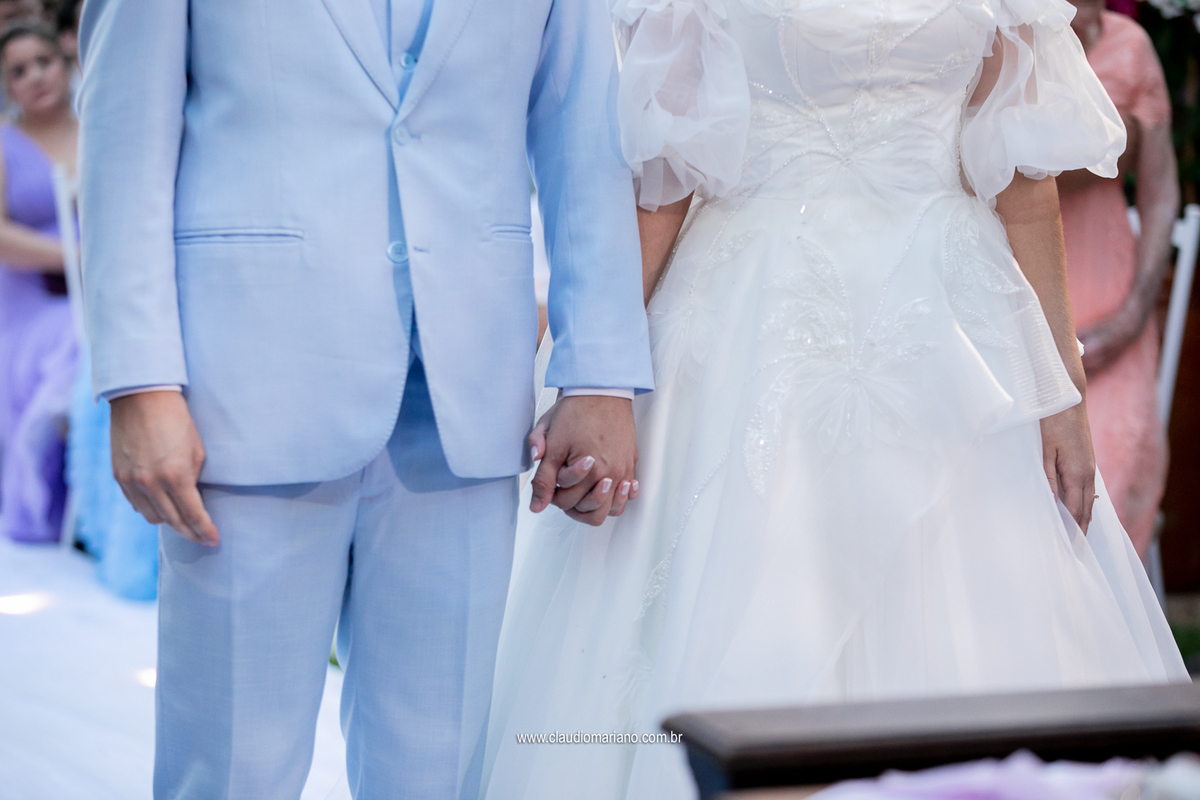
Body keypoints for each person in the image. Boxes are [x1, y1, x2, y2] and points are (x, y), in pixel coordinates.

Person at [484, 1, 1188, 797]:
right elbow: (665, 183)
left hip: (964, 336)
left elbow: (1025, 181)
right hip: (751, 323)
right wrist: (598, 378)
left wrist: (1061, 390)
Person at [77, 0, 651, 798]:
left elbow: (582, 136)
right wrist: (139, 380)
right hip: (246, 390)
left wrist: (598, 373)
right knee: (232, 766)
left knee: (437, 767)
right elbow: (122, 137)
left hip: (465, 398)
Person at [1058, 0, 1179, 557]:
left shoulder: (1131, 47)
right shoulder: (1002, 41)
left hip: (1113, 301)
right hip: (1020, 294)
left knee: (1111, 466)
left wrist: (1132, 317)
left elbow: (1160, 193)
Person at [0, 22, 76, 544]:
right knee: (76, 340)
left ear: (65, 61)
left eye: (42, 62)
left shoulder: (99, 127)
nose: (35, 77)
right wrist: (75, 257)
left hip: (104, 293)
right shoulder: (4, 143)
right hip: (31, 303)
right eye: (18, 71)